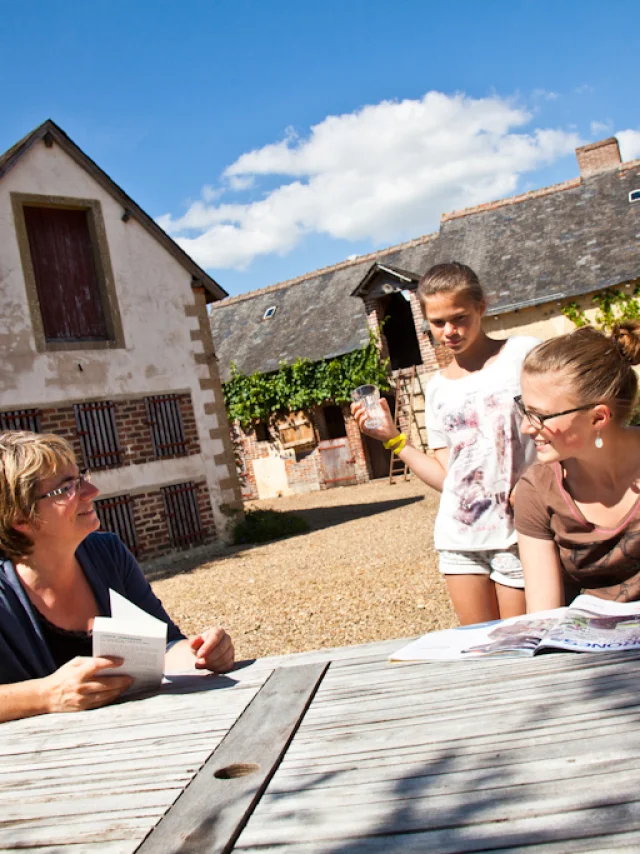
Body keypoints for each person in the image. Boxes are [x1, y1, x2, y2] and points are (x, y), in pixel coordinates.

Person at [0, 430, 234, 723]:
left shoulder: (107, 554)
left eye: (80, 477)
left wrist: (201, 654)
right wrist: (45, 695)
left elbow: (165, 646)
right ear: (20, 518)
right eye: (66, 488)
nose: (91, 491)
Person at [352, 262, 539, 624]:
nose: (449, 331)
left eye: (459, 318)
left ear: (481, 307)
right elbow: (447, 477)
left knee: (521, 650)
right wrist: (392, 440)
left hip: (519, 534)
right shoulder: (437, 388)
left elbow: (562, 429)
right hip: (459, 541)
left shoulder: (525, 355)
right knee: (476, 651)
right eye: (438, 323)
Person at [514, 322, 640, 612]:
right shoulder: (536, 491)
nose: (525, 427)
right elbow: (543, 615)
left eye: (540, 415)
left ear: (598, 418)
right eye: (524, 409)